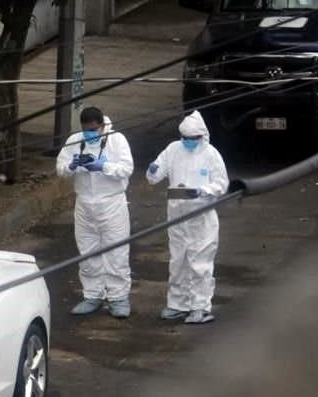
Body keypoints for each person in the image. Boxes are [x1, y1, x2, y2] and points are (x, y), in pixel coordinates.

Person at [145, 110, 229, 324]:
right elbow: (154, 176)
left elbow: (222, 184)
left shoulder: (211, 154)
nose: (188, 142)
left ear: (201, 136)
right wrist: (152, 170)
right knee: (178, 262)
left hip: (201, 218)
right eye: (185, 138)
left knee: (199, 263)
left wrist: (203, 191)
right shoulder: (174, 149)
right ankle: (177, 304)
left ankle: (200, 307)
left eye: (192, 139)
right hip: (177, 217)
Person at [56, 107, 135, 318]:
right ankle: (92, 295)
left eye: (93, 129)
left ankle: (118, 298)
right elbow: (61, 168)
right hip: (84, 204)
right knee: (87, 252)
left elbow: (127, 168)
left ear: (102, 125)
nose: (89, 133)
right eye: (85, 130)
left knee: (116, 252)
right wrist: (73, 166)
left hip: (111, 203)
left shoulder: (117, 140)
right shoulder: (75, 140)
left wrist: (104, 166)